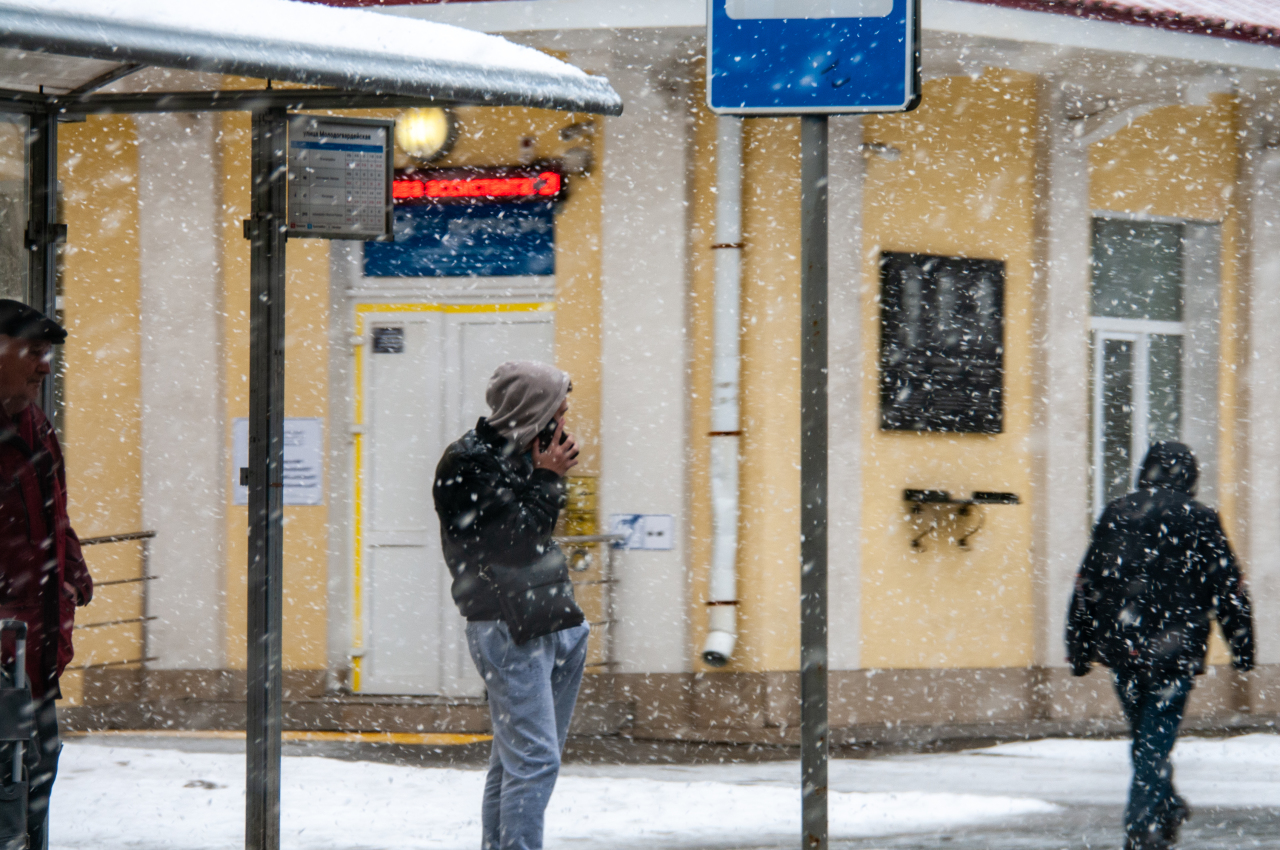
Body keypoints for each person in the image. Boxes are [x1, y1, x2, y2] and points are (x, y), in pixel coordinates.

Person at [433, 360, 589, 850]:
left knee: (516, 761)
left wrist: (545, 475)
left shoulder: (526, 455)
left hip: (555, 622)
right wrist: (547, 479)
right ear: (533, 410)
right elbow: (515, 542)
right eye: (557, 411)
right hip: (507, 627)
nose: (563, 422)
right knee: (535, 762)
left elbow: (534, 539)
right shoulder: (467, 463)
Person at [1067, 441, 1252, 850]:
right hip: (1175, 649)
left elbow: (1087, 585)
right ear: (1190, 477)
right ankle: (1142, 825)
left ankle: (1164, 806)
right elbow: (1228, 588)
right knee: (1154, 737)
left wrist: (1078, 645)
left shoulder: (1116, 513)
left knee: (1147, 737)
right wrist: (1242, 645)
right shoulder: (1199, 518)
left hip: (1122, 645)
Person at [0, 300, 92, 850]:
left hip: (35, 666)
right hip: (4, 665)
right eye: (33, 352)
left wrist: (71, 565)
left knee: (33, 787)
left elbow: (50, 514)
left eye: (47, 354)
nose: (44, 366)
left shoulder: (33, 424)